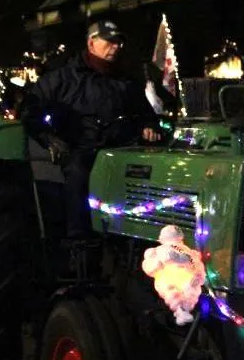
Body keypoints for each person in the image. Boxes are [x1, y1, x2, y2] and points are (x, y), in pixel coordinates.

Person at [22, 21, 163, 238]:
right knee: (78, 176)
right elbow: (30, 110)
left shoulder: (126, 82)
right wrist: (48, 138)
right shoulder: (62, 79)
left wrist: (150, 127)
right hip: (81, 149)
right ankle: (78, 241)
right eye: (110, 41)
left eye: (119, 42)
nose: (116, 47)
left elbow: (148, 115)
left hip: (122, 150)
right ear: (91, 43)